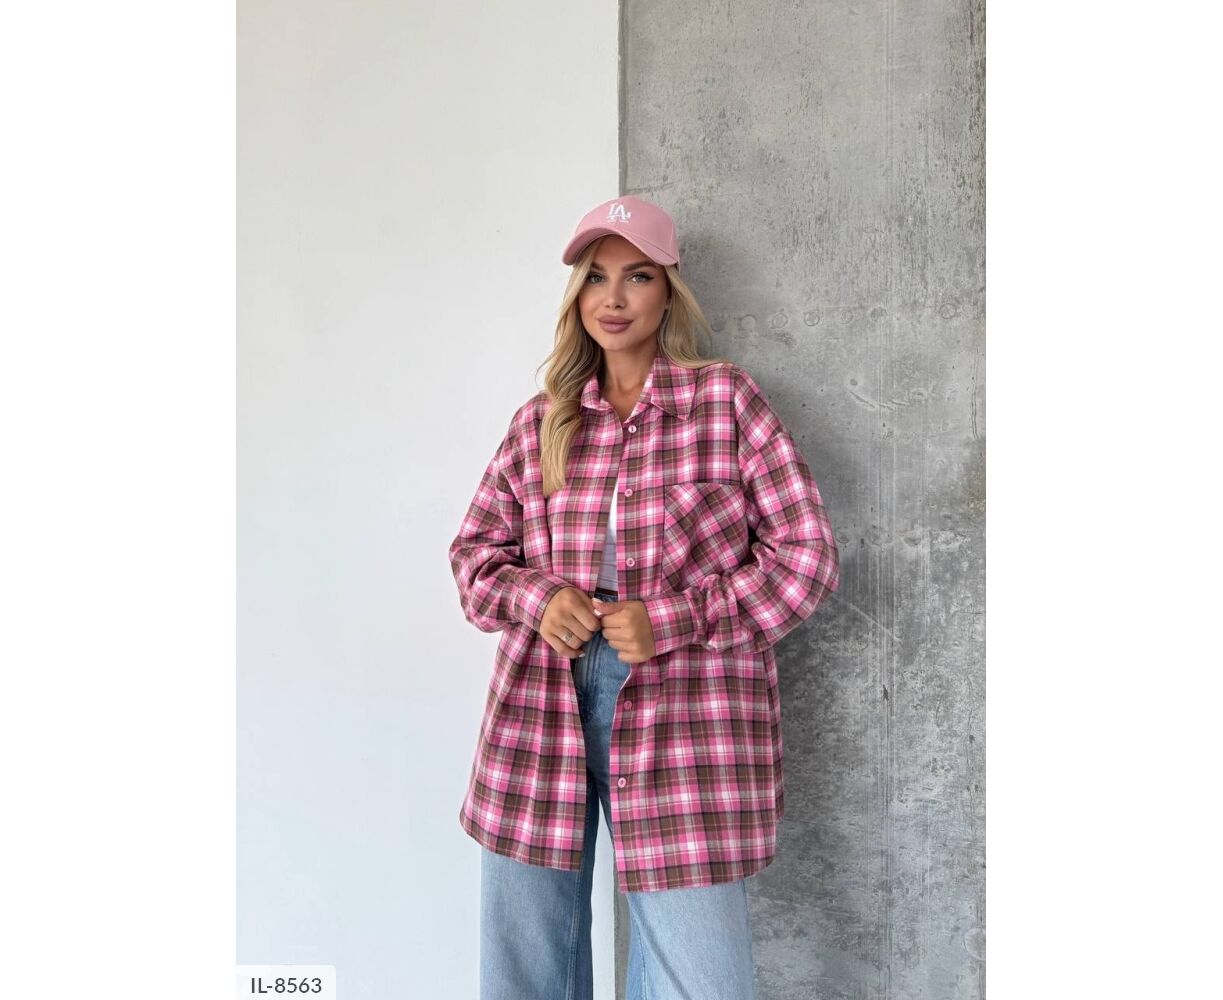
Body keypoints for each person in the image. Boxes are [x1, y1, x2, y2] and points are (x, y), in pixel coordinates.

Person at [448, 194, 840, 1000]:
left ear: (668, 292)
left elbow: (807, 558)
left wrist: (672, 618)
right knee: (524, 967)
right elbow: (474, 558)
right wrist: (536, 598)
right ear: (576, 296)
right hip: (540, 705)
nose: (614, 298)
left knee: (700, 980)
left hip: (687, 710)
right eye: (595, 278)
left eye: (637, 276)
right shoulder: (541, 423)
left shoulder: (725, 403)